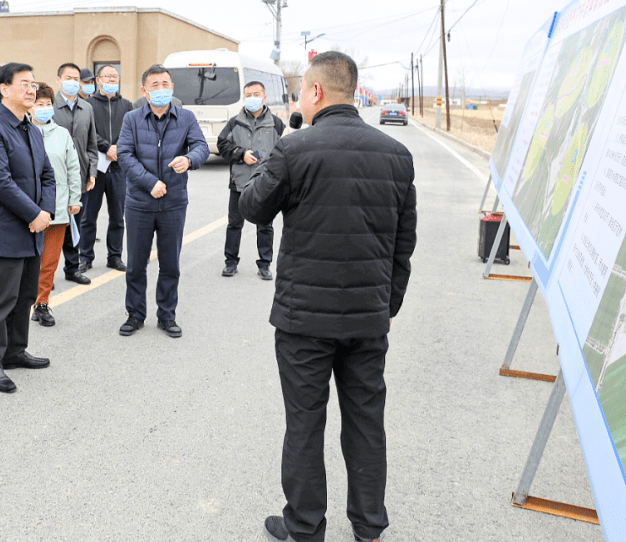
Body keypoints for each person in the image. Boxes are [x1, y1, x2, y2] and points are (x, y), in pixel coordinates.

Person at [240, 51, 417, 542]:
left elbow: (254, 207)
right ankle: (369, 528)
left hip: (303, 323)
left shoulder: (295, 149)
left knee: (305, 423)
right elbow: (405, 244)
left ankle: (304, 525)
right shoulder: (396, 155)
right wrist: (385, 306)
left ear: (315, 92)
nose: (299, 100)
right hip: (367, 321)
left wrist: (278, 153)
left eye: (301, 92)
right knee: (366, 423)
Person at [0, 63, 56, 393]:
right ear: (4, 89)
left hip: (33, 228)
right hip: (5, 230)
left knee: (24, 297)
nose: (31, 90)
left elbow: (47, 175)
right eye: (24, 84)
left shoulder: (31, 129)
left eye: (34, 84)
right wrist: (33, 213)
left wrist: (45, 210)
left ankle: (15, 351)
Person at [116, 64, 208, 338]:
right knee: (135, 264)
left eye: (165, 84)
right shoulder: (132, 119)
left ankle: (167, 315)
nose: (160, 89)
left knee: (170, 265)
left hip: (173, 203)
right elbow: (124, 154)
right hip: (139, 204)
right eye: (154, 85)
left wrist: (190, 159)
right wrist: (149, 182)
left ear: (172, 88)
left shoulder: (186, 117)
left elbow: (201, 146)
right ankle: (135, 314)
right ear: (144, 91)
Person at [217, 80, 285, 280]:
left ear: (264, 98)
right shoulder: (235, 122)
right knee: (234, 224)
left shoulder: (276, 123)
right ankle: (230, 262)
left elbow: (285, 150)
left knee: (265, 225)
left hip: (265, 184)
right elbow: (222, 145)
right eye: (248, 94)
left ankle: (265, 264)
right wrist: (241, 154)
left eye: (256, 94)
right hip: (239, 182)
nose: (252, 98)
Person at [29, 83, 81, 327]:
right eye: (39, 104)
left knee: (49, 262)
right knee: (28, 261)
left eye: (48, 104)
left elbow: (73, 167)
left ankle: (42, 303)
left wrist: (74, 199)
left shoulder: (61, 134)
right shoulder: (22, 131)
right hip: (27, 209)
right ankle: (21, 302)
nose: (44, 108)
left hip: (58, 209)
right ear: (30, 107)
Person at [81, 64, 132, 273]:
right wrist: (106, 147)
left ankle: (115, 256)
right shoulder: (88, 105)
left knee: (118, 215)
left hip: (119, 168)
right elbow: (87, 133)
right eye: (107, 77)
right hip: (96, 168)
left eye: (114, 77)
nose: (111, 80)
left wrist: (118, 148)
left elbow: (130, 131)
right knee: (88, 215)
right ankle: (85, 256)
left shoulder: (127, 105)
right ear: (98, 80)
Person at [53, 63, 97, 285]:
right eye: (68, 77)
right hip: (52, 179)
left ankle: (72, 268)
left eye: (76, 78)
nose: (73, 82)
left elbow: (92, 144)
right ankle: (44, 274)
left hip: (78, 177)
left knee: (74, 225)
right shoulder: (48, 106)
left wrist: (92, 172)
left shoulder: (87, 108)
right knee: (51, 227)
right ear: (59, 80)